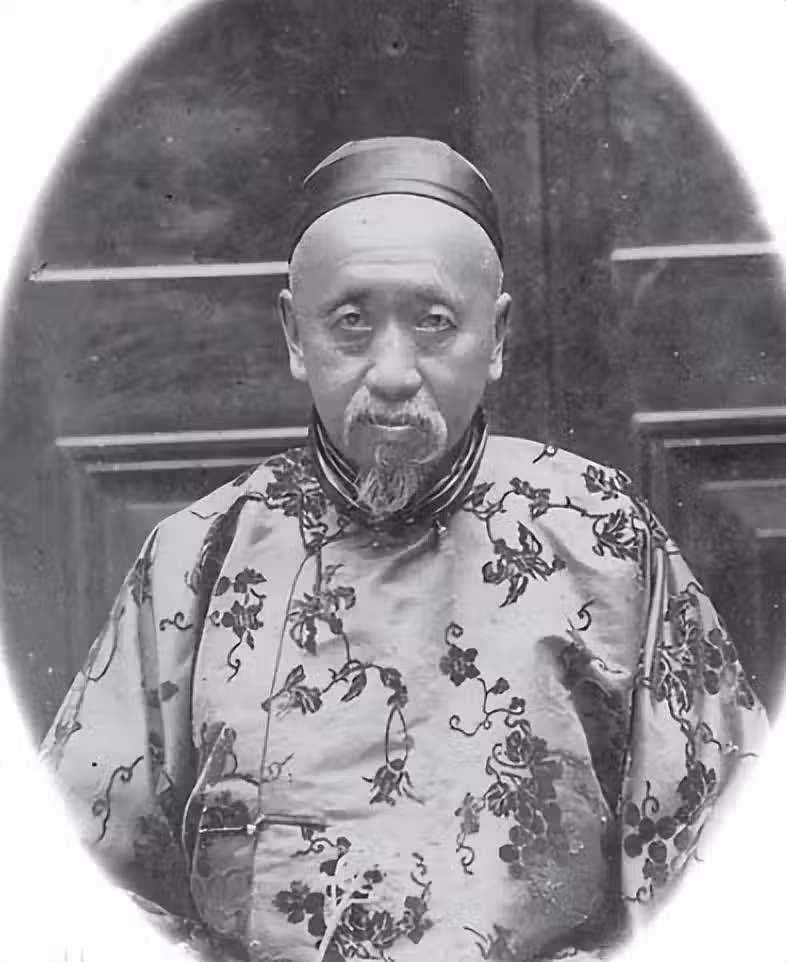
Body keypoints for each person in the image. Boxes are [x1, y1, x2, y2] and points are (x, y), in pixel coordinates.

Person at [40, 137, 767, 962]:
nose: (392, 372)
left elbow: (732, 870)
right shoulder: (198, 559)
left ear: (496, 337)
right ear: (294, 334)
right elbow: (67, 883)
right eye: (351, 323)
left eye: (433, 323)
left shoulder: (599, 535)